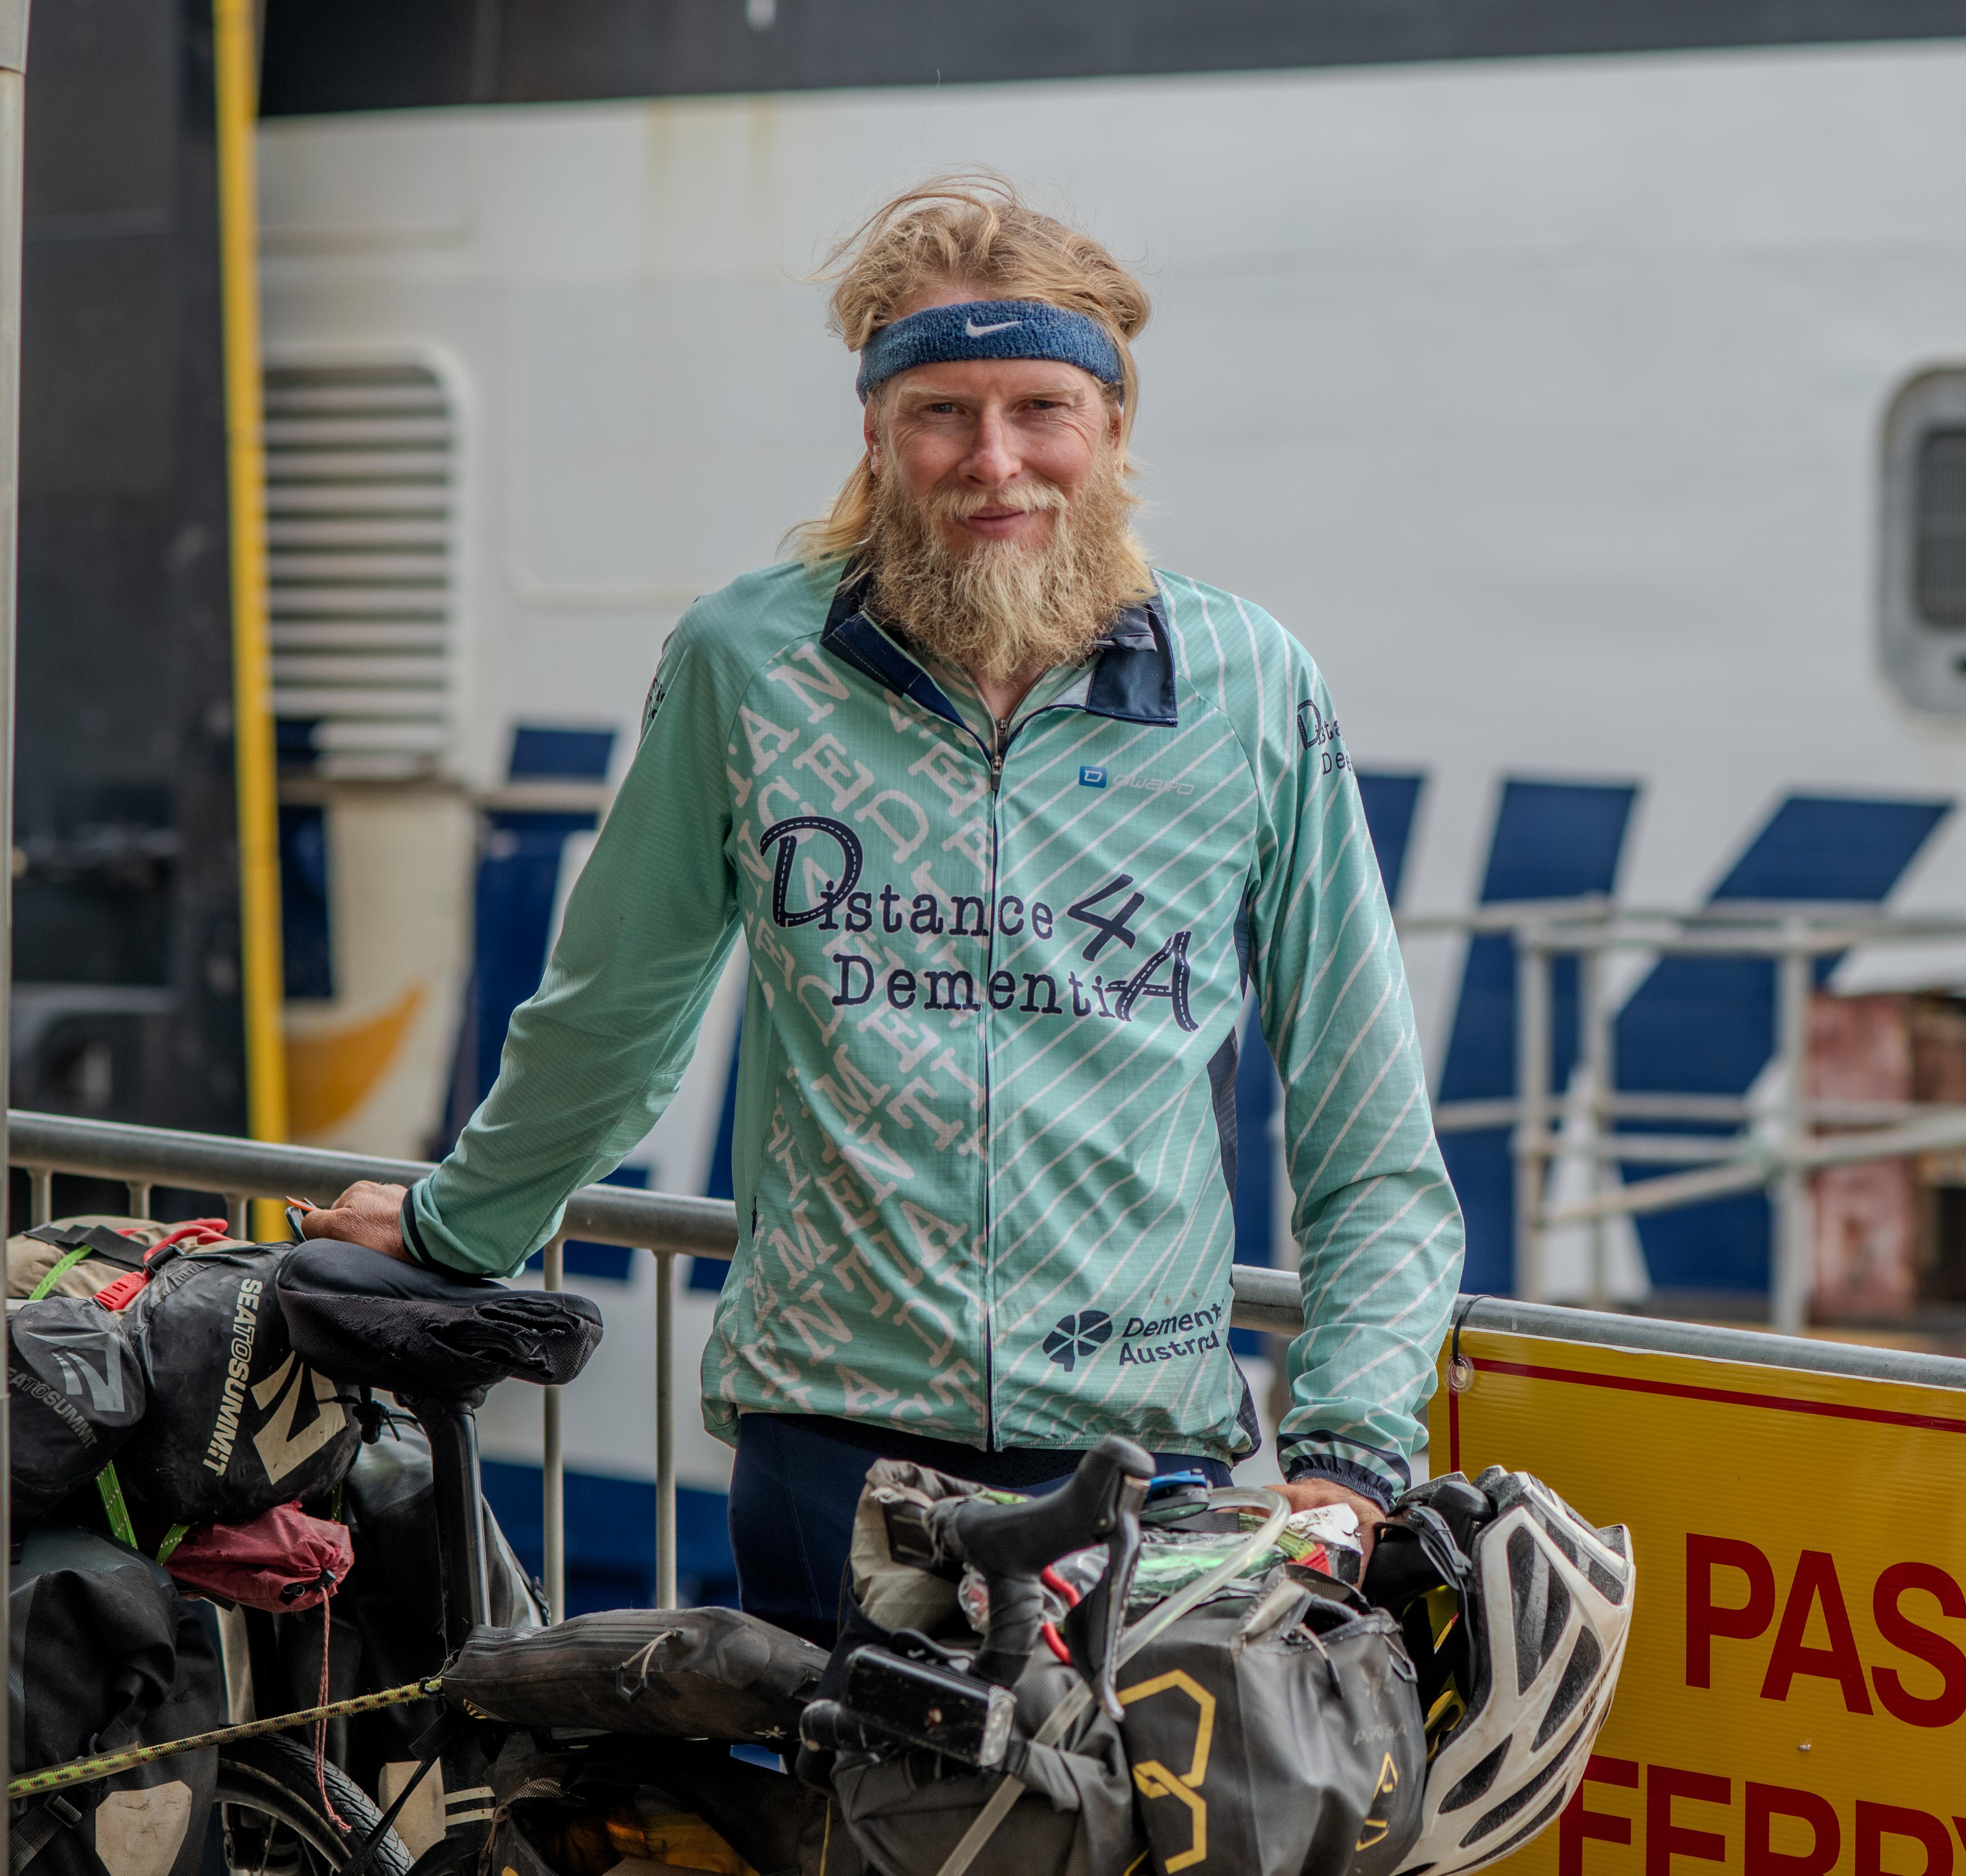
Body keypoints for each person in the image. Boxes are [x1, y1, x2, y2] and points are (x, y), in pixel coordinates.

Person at [303, 174, 1464, 1636]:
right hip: (830, 1445)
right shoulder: (748, 663)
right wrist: (462, 1228)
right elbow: (618, 1014)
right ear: (874, 433)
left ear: (1111, 430)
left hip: (1143, 1454)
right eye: (941, 413)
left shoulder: (1250, 688)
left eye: (1040, 407)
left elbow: (1365, 1110)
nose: (996, 461)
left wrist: (1355, 1446)